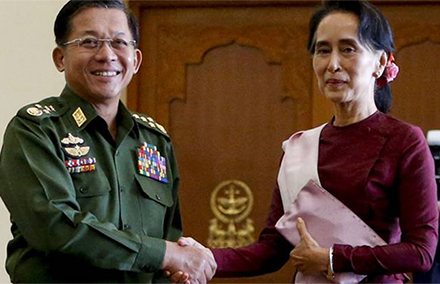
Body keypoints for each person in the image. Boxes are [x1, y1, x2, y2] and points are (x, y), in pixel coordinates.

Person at [168, 0, 439, 283]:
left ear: (380, 62)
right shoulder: (299, 147)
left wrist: (333, 259)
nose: (332, 64)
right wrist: (206, 259)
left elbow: (421, 252)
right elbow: (272, 249)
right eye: (323, 50)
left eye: (347, 49)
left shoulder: (404, 141)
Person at [0, 0, 216, 283]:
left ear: (136, 60)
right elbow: (54, 228)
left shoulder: (154, 140)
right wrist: (164, 254)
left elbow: (169, 237)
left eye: (119, 42)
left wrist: (180, 269)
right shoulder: (35, 130)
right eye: (89, 42)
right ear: (60, 58)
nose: (106, 55)